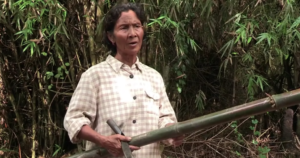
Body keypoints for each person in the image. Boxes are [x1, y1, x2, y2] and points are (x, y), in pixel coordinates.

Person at [63, 2, 183, 158]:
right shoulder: (94, 76)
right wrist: (103, 141)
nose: (132, 33)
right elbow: (74, 119)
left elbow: (165, 118)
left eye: (137, 26)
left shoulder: (154, 76)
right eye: (124, 28)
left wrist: (172, 131)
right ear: (111, 36)